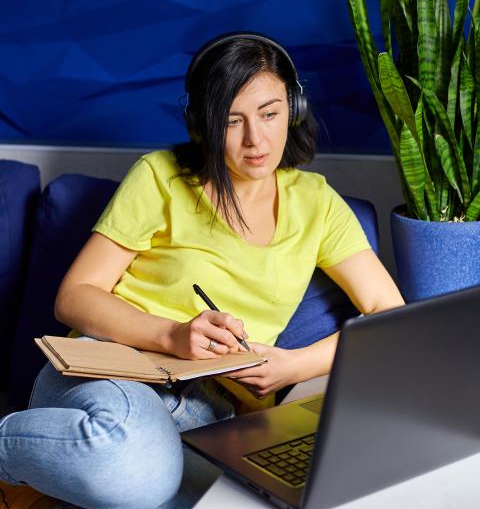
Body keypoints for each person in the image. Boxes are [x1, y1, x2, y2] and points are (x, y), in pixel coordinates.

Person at [0, 32, 404, 508]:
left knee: (238, 499)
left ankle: (74, 473)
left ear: (293, 109)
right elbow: (75, 295)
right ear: (201, 123)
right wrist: (173, 335)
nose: (256, 139)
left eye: (270, 114)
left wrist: (294, 365)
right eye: (232, 121)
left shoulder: (318, 203)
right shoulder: (160, 175)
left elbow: (388, 316)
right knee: (137, 473)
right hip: (112, 370)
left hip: (209, 410)